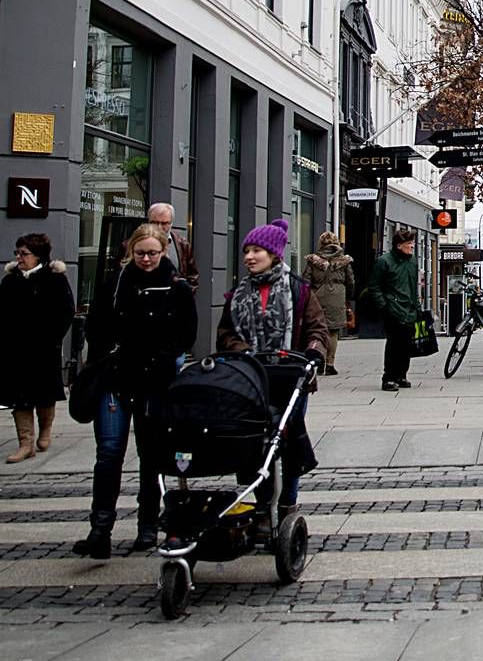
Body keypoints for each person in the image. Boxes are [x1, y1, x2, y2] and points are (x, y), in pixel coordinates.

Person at [74, 224, 196, 559]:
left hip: (154, 383)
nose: (145, 259)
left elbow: (186, 335)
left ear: (163, 252)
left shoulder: (177, 287)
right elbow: (96, 327)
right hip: (116, 380)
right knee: (109, 454)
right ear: (131, 252)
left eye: (152, 253)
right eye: (140, 253)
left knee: (151, 456)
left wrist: (164, 357)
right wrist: (106, 354)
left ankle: (147, 525)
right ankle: (100, 528)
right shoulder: (116, 284)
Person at [216, 218, 328, 519]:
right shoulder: (238, 294)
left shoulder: (299, 290)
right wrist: (243, 352)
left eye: (256, 251)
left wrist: (313, 354)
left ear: (274, 254)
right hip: (251, 379)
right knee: (254, 442)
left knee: (288, 441)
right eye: (246, 251)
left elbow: (317, 328)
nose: (249, 257)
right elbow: (225, 333)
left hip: (290, 377)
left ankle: (287, 503)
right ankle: (264, 503)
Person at [1, 234, 75, 463]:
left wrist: (52, 338)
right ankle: (25, 443)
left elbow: (66, 311)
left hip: (43, 349)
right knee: (20, 397)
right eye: (17, 253)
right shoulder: (11, 280)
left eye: (24, 253)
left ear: (38, 255)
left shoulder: (54, 279)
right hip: (15, 349)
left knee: (43, 395)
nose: (19, 258)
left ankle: (45, 429)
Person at [370, 227, 421, 390]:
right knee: (394, 344)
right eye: (409, 243)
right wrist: (384, 306)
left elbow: (414, 287)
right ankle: (389, 377)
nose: (412, 246)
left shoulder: (412, 261)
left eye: (412, 243)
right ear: (399, 245)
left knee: (406, 344)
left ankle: (401, 375)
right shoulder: (384, 261)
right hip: (393, 308)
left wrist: (417, 306)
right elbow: (374, 286)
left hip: (409, 309)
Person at [304, 231, 354, 376]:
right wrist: (347, 297)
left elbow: (306, 280)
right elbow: (350, 281)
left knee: (319, 330)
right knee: (333, 332)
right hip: (337, 298)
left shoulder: (313, 260)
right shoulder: (344, 261)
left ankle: (319, 363)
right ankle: (330, 364)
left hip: (317, 298)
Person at [147, 202, 200, 291]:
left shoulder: (183, 245)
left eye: (164, 223)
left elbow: (193, 277)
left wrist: (184, 297)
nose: (159, 227)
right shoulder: (131, 245)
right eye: (155, 223)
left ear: (171, 223)